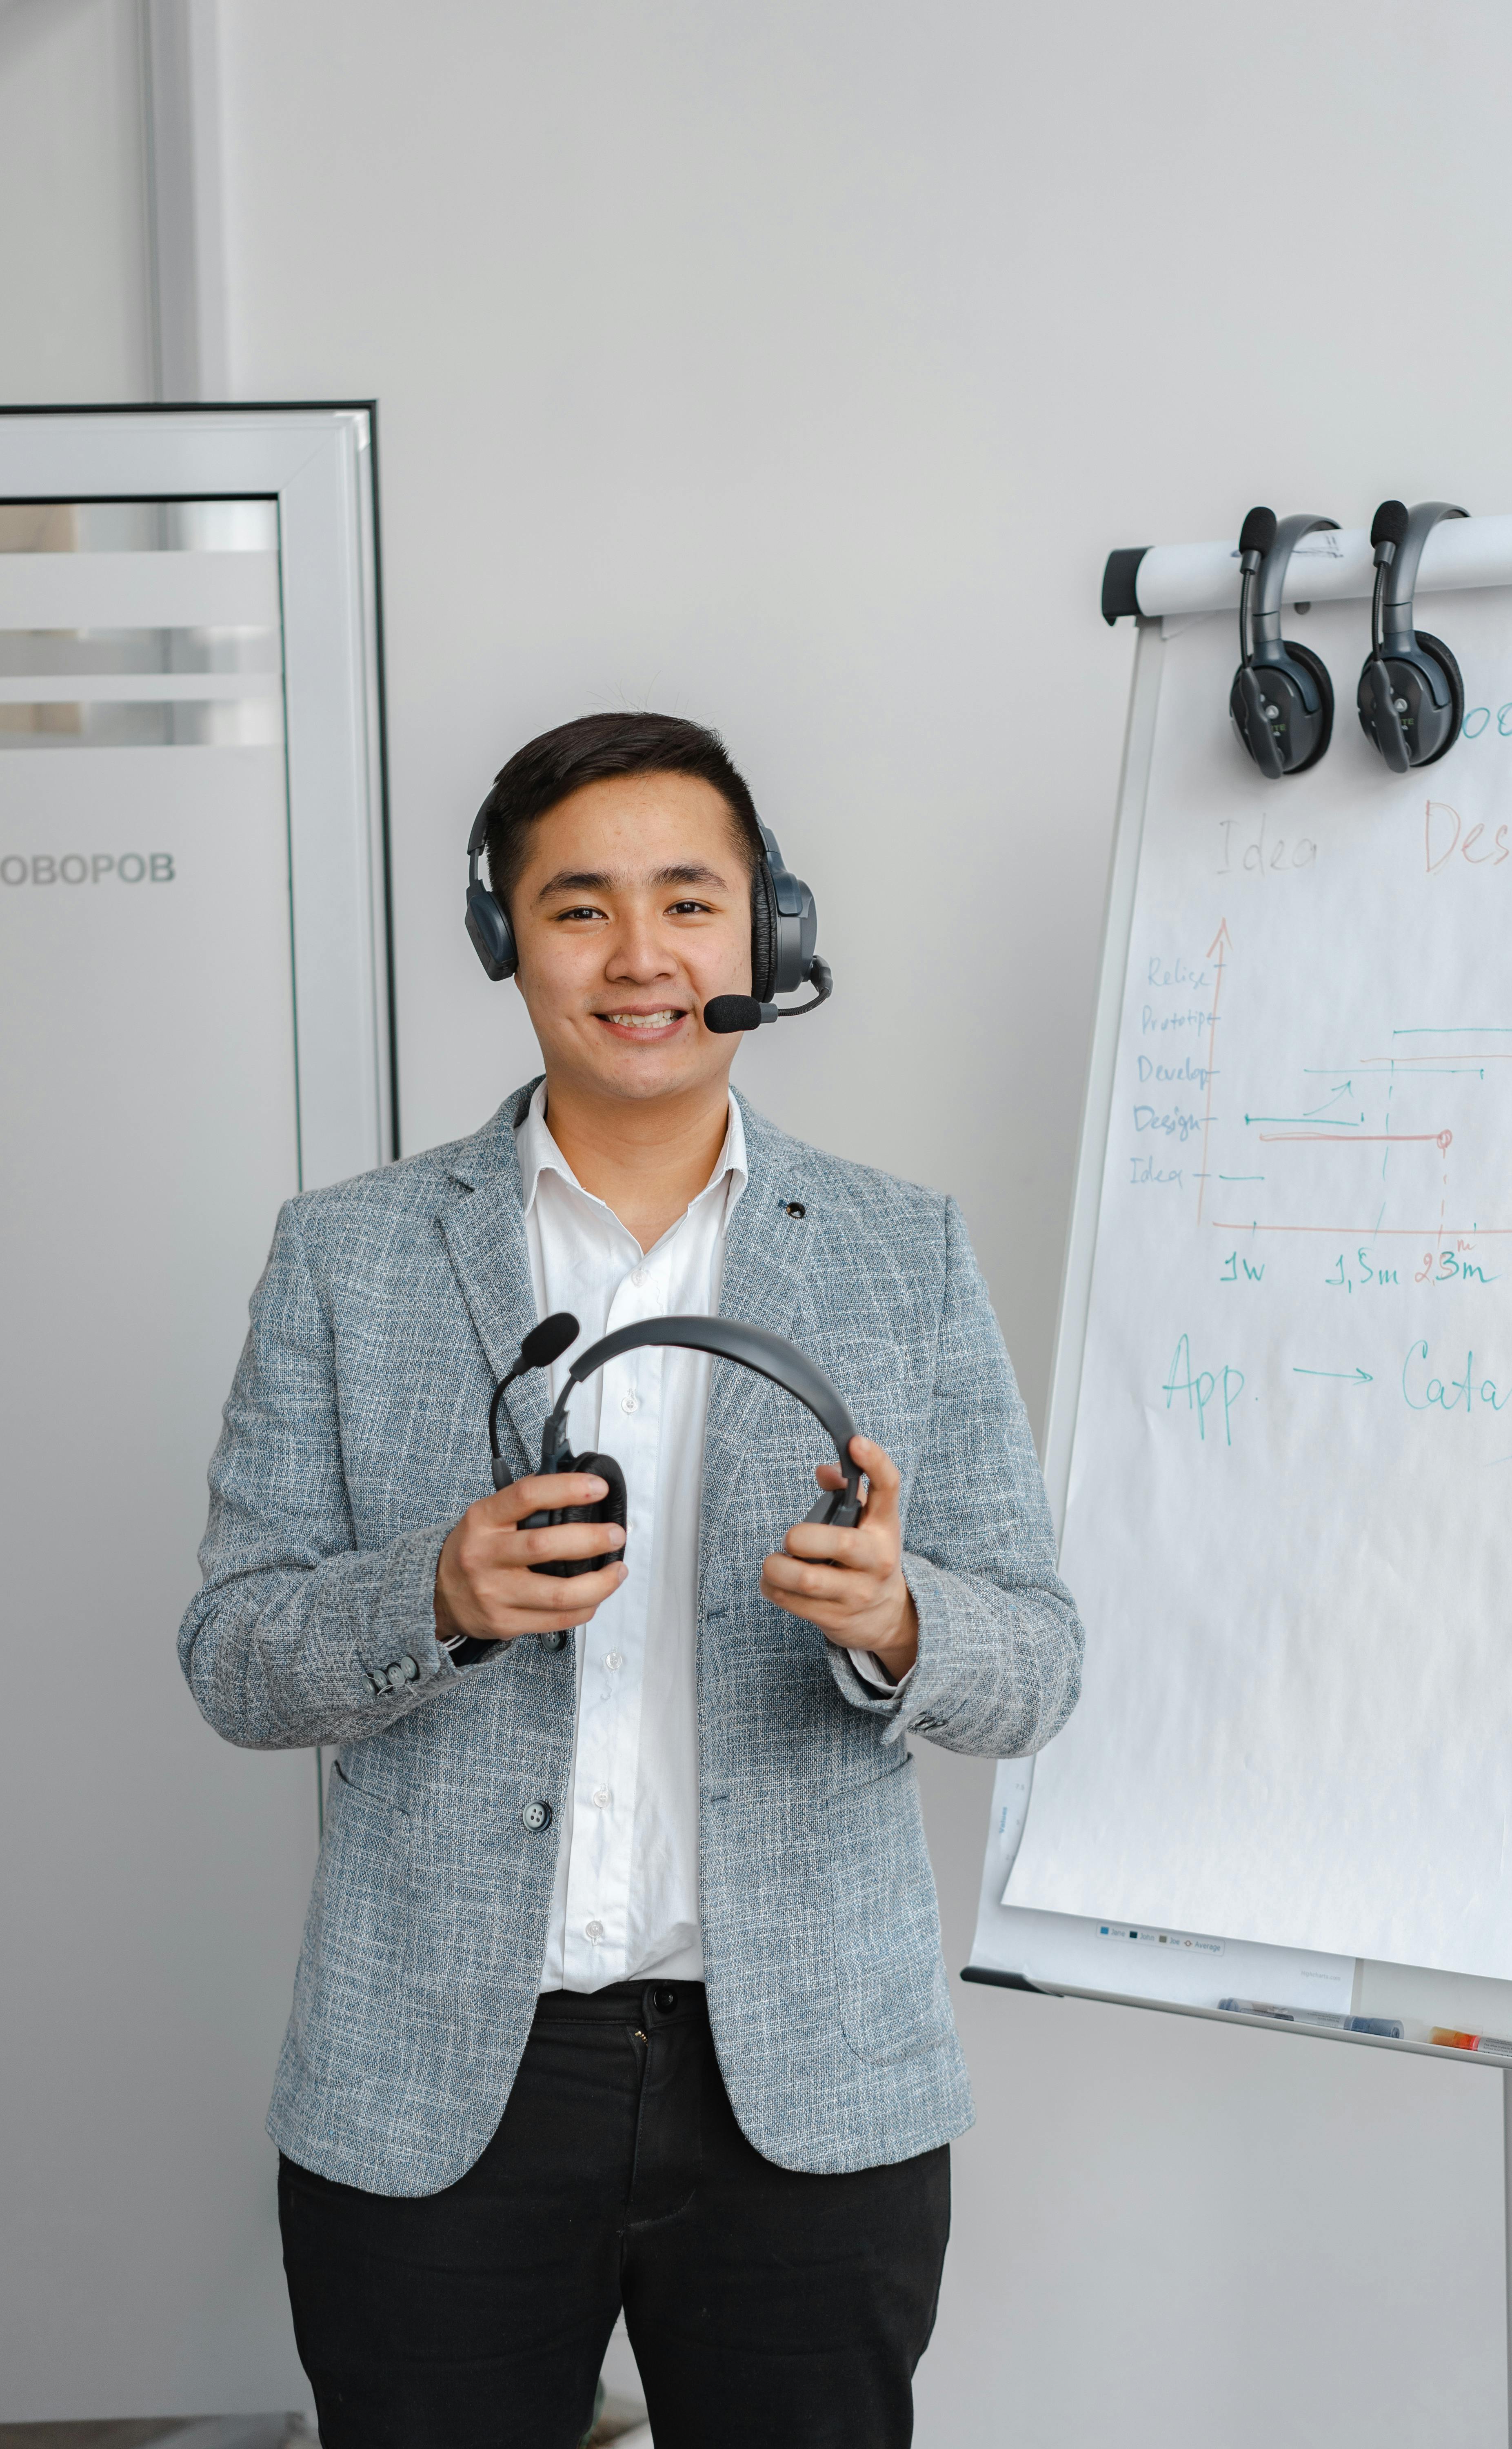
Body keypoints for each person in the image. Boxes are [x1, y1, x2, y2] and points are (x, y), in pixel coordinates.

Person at [180, 711, 1083, 2449]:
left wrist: (900, 1620)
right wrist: (426, 1598)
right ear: (501, 939)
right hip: (445, 2080)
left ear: (772, 933)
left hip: (808, 2087)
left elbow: (1039, 1659)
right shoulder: (347, 1252)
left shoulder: (904, 1249)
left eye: (691, 899)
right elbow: (231, 1656)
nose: (644, 954)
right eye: (580, 907)